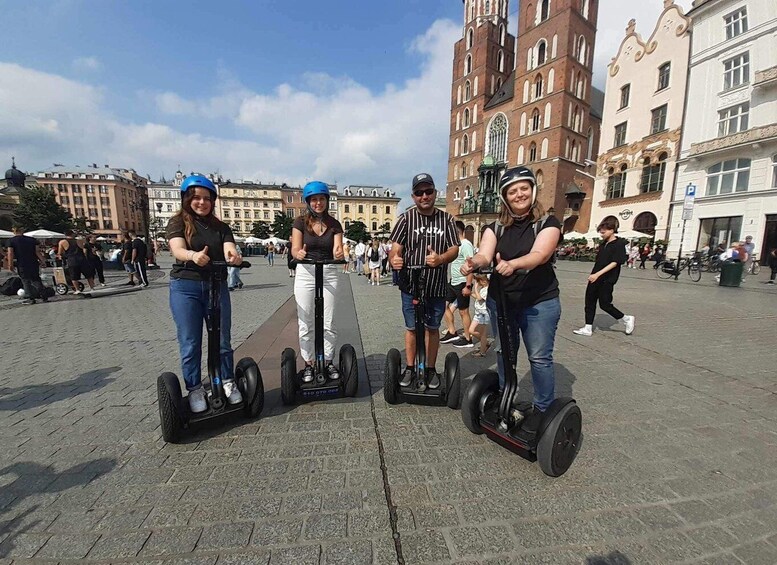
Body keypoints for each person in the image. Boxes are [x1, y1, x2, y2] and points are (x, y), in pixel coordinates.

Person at [460, 166, 561, 436]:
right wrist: (474, 262)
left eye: (524, 189)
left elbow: (540, 254)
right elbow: (485, 253)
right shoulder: (496, 228)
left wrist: (513, 264)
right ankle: (507, 399)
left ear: (533, 190)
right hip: (502, 301)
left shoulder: (548, 224)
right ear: (505, 197)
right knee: (505, 353)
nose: (519, 194)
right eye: (512, 191)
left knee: (539, 358)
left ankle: (543, 410)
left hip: (539, 302)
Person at [167, 174, 243, 414]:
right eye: (196, 198)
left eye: (207, 198)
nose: (202, 202)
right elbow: (177, 249)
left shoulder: (221, 227)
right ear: (187, 198)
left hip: (216, 285)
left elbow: (229, 248)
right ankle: (195, 388)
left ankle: (227, 381)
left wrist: (234, 257)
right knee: (190, 341)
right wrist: (193, 256)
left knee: (222, 339)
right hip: (186, 286)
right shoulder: (178, 222)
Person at [390, 173, 460, 389]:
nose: (424, 196)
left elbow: (454, 249)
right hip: (410, 284)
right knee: (411, 328)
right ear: (413, 196)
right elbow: (395, 248)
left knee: (432, 328)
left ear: (435, 192)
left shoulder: (446, 219)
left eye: (428, 191)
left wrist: (440, 258)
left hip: (436, 285)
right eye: (419, 193)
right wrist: (395, 259)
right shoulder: (405, 219)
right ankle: (410, 368)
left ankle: (430, 369)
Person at [292, 181, 345, 383]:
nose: (318, 203)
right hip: (306, 272)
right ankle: (309, 363)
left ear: (327, 200)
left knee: (329, 321)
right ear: (308, 202)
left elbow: (338, 250)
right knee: (305, 322)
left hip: (329, 271)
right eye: (314, 199)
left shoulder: (335, 224)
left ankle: (329, 360)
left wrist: (339, 253)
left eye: (321, 199)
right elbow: (294, 249)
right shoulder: (300, 222)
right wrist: (299, 253)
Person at [573, 218, 634, 337]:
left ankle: (626, 319)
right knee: (589, 301)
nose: (601, 234)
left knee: (605, 304)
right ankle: (588, 327)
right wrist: (594, 274)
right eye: (600, 231)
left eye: (603, 232)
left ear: (612, 230)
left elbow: (615, 262)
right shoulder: (603, 244)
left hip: (607, 279)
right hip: (595, 277)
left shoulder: (619, 244)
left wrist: (598, 274)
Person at [441, 220, 475, 348]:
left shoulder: (466, 245)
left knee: (463, 312)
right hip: (453, 281)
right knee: (443, 305)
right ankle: (452, 332)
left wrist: (468, 286)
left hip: (462, 282)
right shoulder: (455, 245)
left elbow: (470, 266)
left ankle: (468, 338)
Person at [6, 226, 48, 305]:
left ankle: (30, 298)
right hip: (33, 262)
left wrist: (10, 264)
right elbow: (37, 252)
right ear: (22, 231)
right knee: (36, 279)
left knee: (25, 281)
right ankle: (44, 295)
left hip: (22, 263)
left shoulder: (11, 241)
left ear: (14, 232)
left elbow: (10, 253)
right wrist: (43, 261)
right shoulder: (32, 240)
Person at [468, 273, 490, 357]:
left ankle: (482, 351)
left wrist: (476, 289)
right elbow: (478, 297)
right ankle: (485, 343)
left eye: (478, 281)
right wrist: (470, 293)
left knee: (483, 333)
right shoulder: (483, 288)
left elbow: (480, 298)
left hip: (484, 313)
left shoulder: (487, 289)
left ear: (483, 281)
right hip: (478, 313)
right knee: (471, 330)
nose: (477, 283)